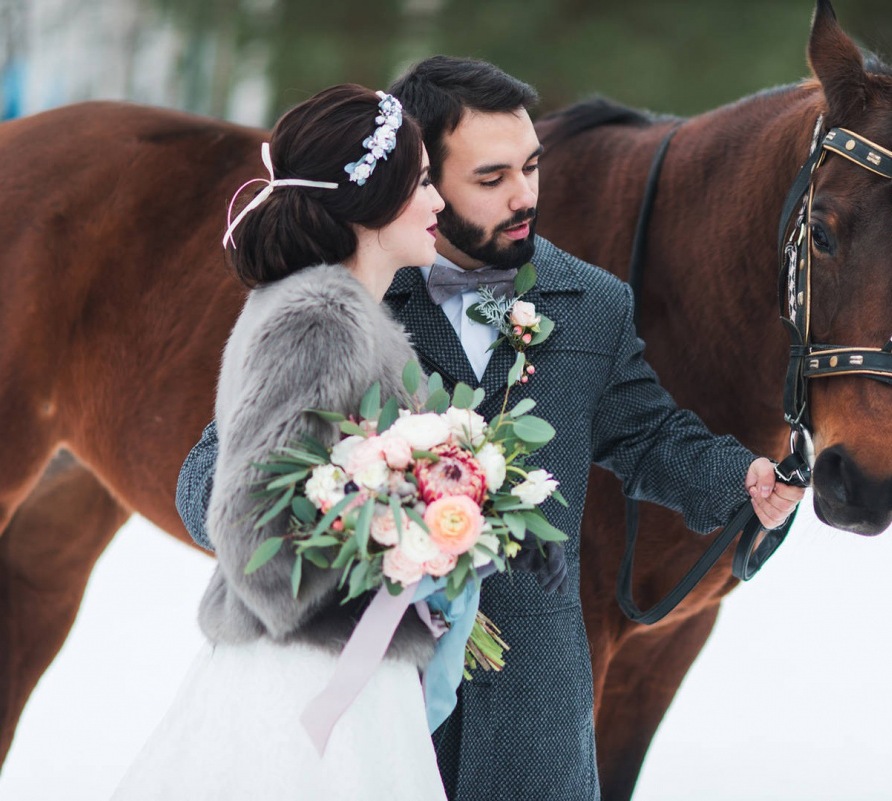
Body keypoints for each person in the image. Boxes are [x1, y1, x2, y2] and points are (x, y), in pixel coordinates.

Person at [176, 58, 805, 800]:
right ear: (421, 179)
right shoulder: (348, 300)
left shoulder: (592, 302)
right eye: (491, 177)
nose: (525, 196)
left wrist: (739, 477)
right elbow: (208, 481)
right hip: (377, 707)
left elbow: (646, 432)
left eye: (532, 167)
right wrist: (365, 518)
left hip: (536, 721)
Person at [113, 84, 449, 799]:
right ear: (376, 198)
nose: (438, 202)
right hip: (303, 672)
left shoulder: (337, 309)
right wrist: (392, 547)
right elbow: (245, 522)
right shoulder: (320, 318)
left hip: (343, 665)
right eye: (422, 181)